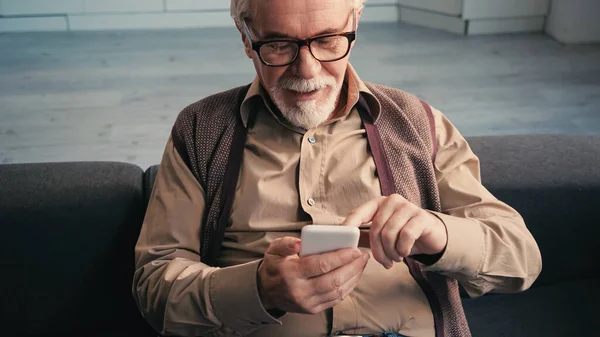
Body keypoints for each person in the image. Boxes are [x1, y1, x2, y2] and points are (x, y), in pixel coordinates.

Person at [132, 0, 542, 336]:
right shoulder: (201, 131)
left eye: (329, 40)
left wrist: (440, 234)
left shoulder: (418, 123)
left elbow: (521, 260)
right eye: (278, 45)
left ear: (355, 23)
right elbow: (154, 286)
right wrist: (259, 290)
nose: (307, 71)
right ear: (246, 37)